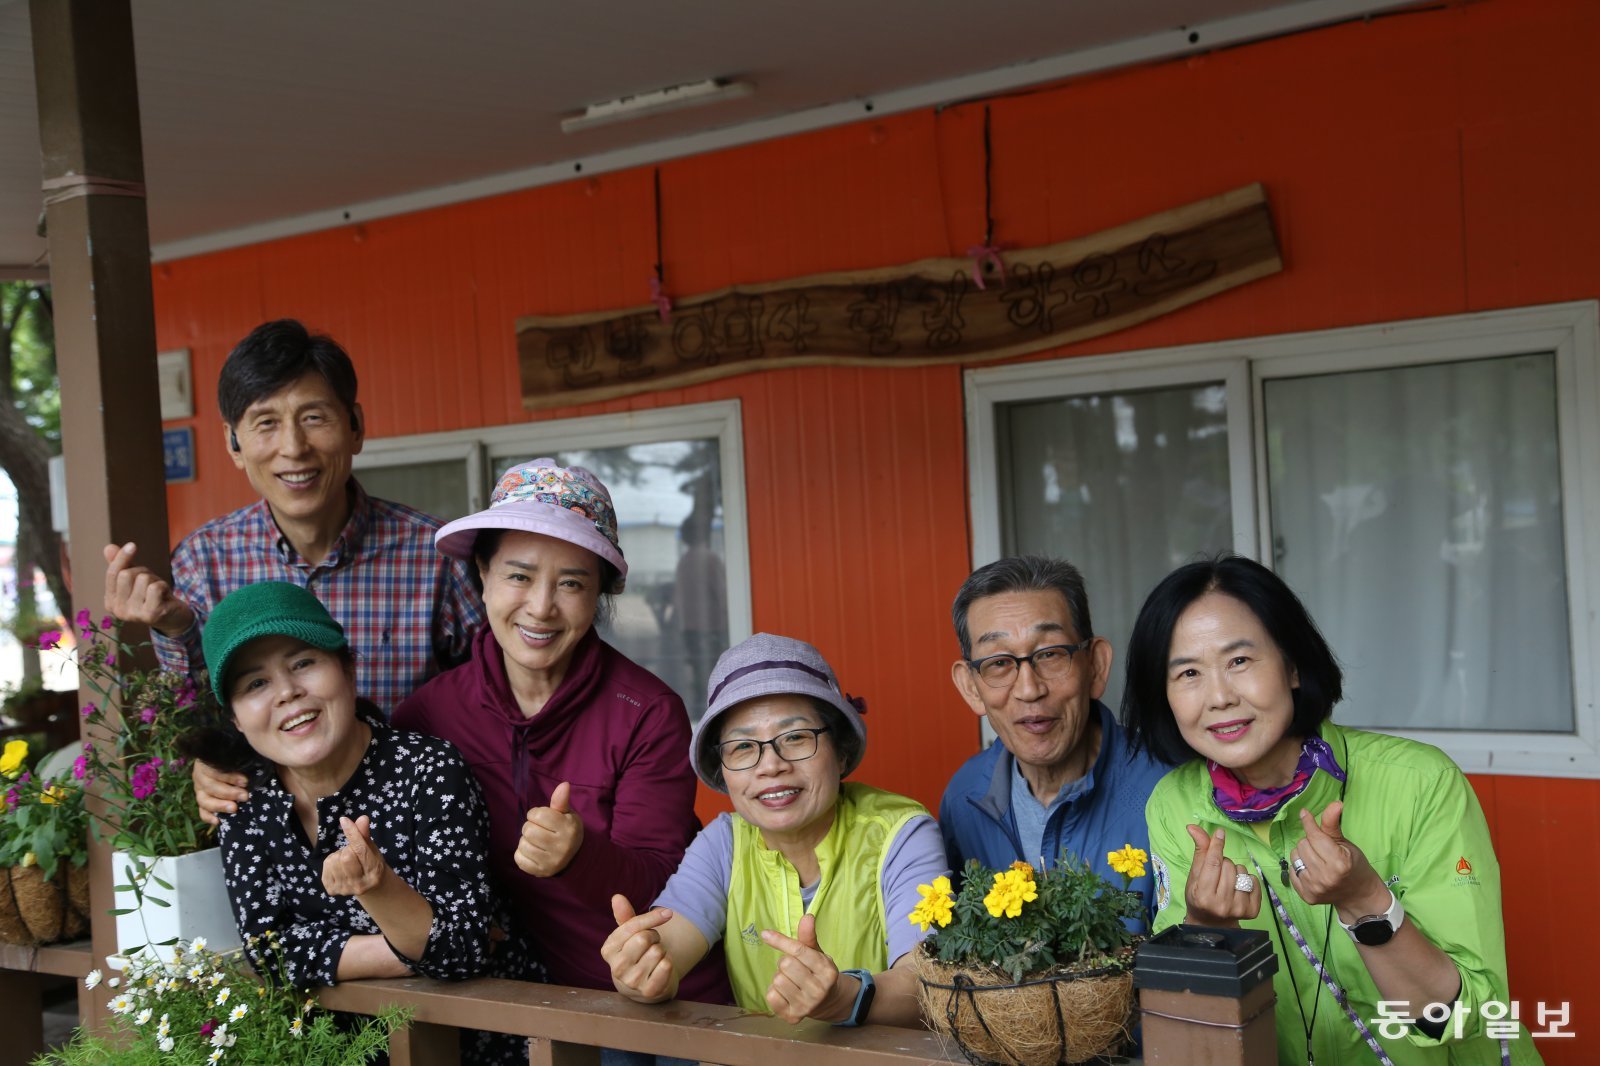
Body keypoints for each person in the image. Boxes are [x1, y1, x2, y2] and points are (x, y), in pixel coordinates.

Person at [1121, 554, 1539, 1065]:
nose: (1220, 697)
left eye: (1240, 661)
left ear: (1293, 666)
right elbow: (1194, 1036)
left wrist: (1366, 901)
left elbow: (1462, 1016)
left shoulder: (1420, 783)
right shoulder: (1175, 805)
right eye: (1187, 672)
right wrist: (1204, 927)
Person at [387, 459, 730, 1005]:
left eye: (571, 583)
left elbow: (667, 886)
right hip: (527, 1004)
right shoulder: (428, 715)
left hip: (667, 999)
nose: (541, 607)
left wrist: (578, 855)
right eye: (519, 576)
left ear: (600, 593)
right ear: (482, 573)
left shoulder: (646, 712)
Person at [190, 581, 538, 1064]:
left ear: (348, 669)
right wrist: (407, 950)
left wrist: (377, 888)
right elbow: (270, 952)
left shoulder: (428, 770)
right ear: (235, 719)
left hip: (480, 1047)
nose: (288, 692)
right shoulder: (244, 803)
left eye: (303, 663)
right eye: (256, 684)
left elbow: (461, 950)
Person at [102, 318, 482, 720]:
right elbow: (197, 715)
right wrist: (175, 628)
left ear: (356, 427)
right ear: (233, 443)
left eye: (314, 417)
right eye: (266, 423)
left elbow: (494, 696)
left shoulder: (437, 554)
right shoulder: (202, 561)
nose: (294, 447)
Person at [603, 634, 948, 1026]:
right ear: (723, 770)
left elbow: (927, 982)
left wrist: (844, 999)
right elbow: (668, 949)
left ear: (841, 750)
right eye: (743, 747)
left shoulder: (902, 833)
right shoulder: (723, 843)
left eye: (796, 737)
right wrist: (642, 971)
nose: (770, 765)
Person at [940, 556, 1166, 918]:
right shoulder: (964, 798)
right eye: (999, 662)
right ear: (970, 687)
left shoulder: (1167, 789)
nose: (1029, 689)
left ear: (1096, 665)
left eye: (1050, 654)